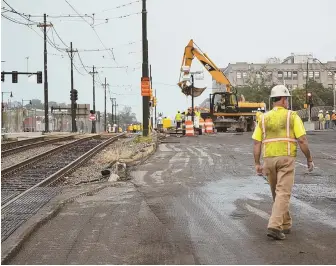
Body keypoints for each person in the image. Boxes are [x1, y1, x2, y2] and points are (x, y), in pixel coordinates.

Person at [252, 85, 314, 240]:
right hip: (286, 158)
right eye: (286, 99)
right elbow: (302, 140)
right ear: (284, 99)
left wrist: (257, 163)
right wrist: (309, 158)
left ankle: (285, 224)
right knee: (283, 193)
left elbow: (256, 143)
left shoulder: (263, 118)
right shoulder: (292, 116)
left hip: (268, 159)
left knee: (277, 193)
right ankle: (274, 225)